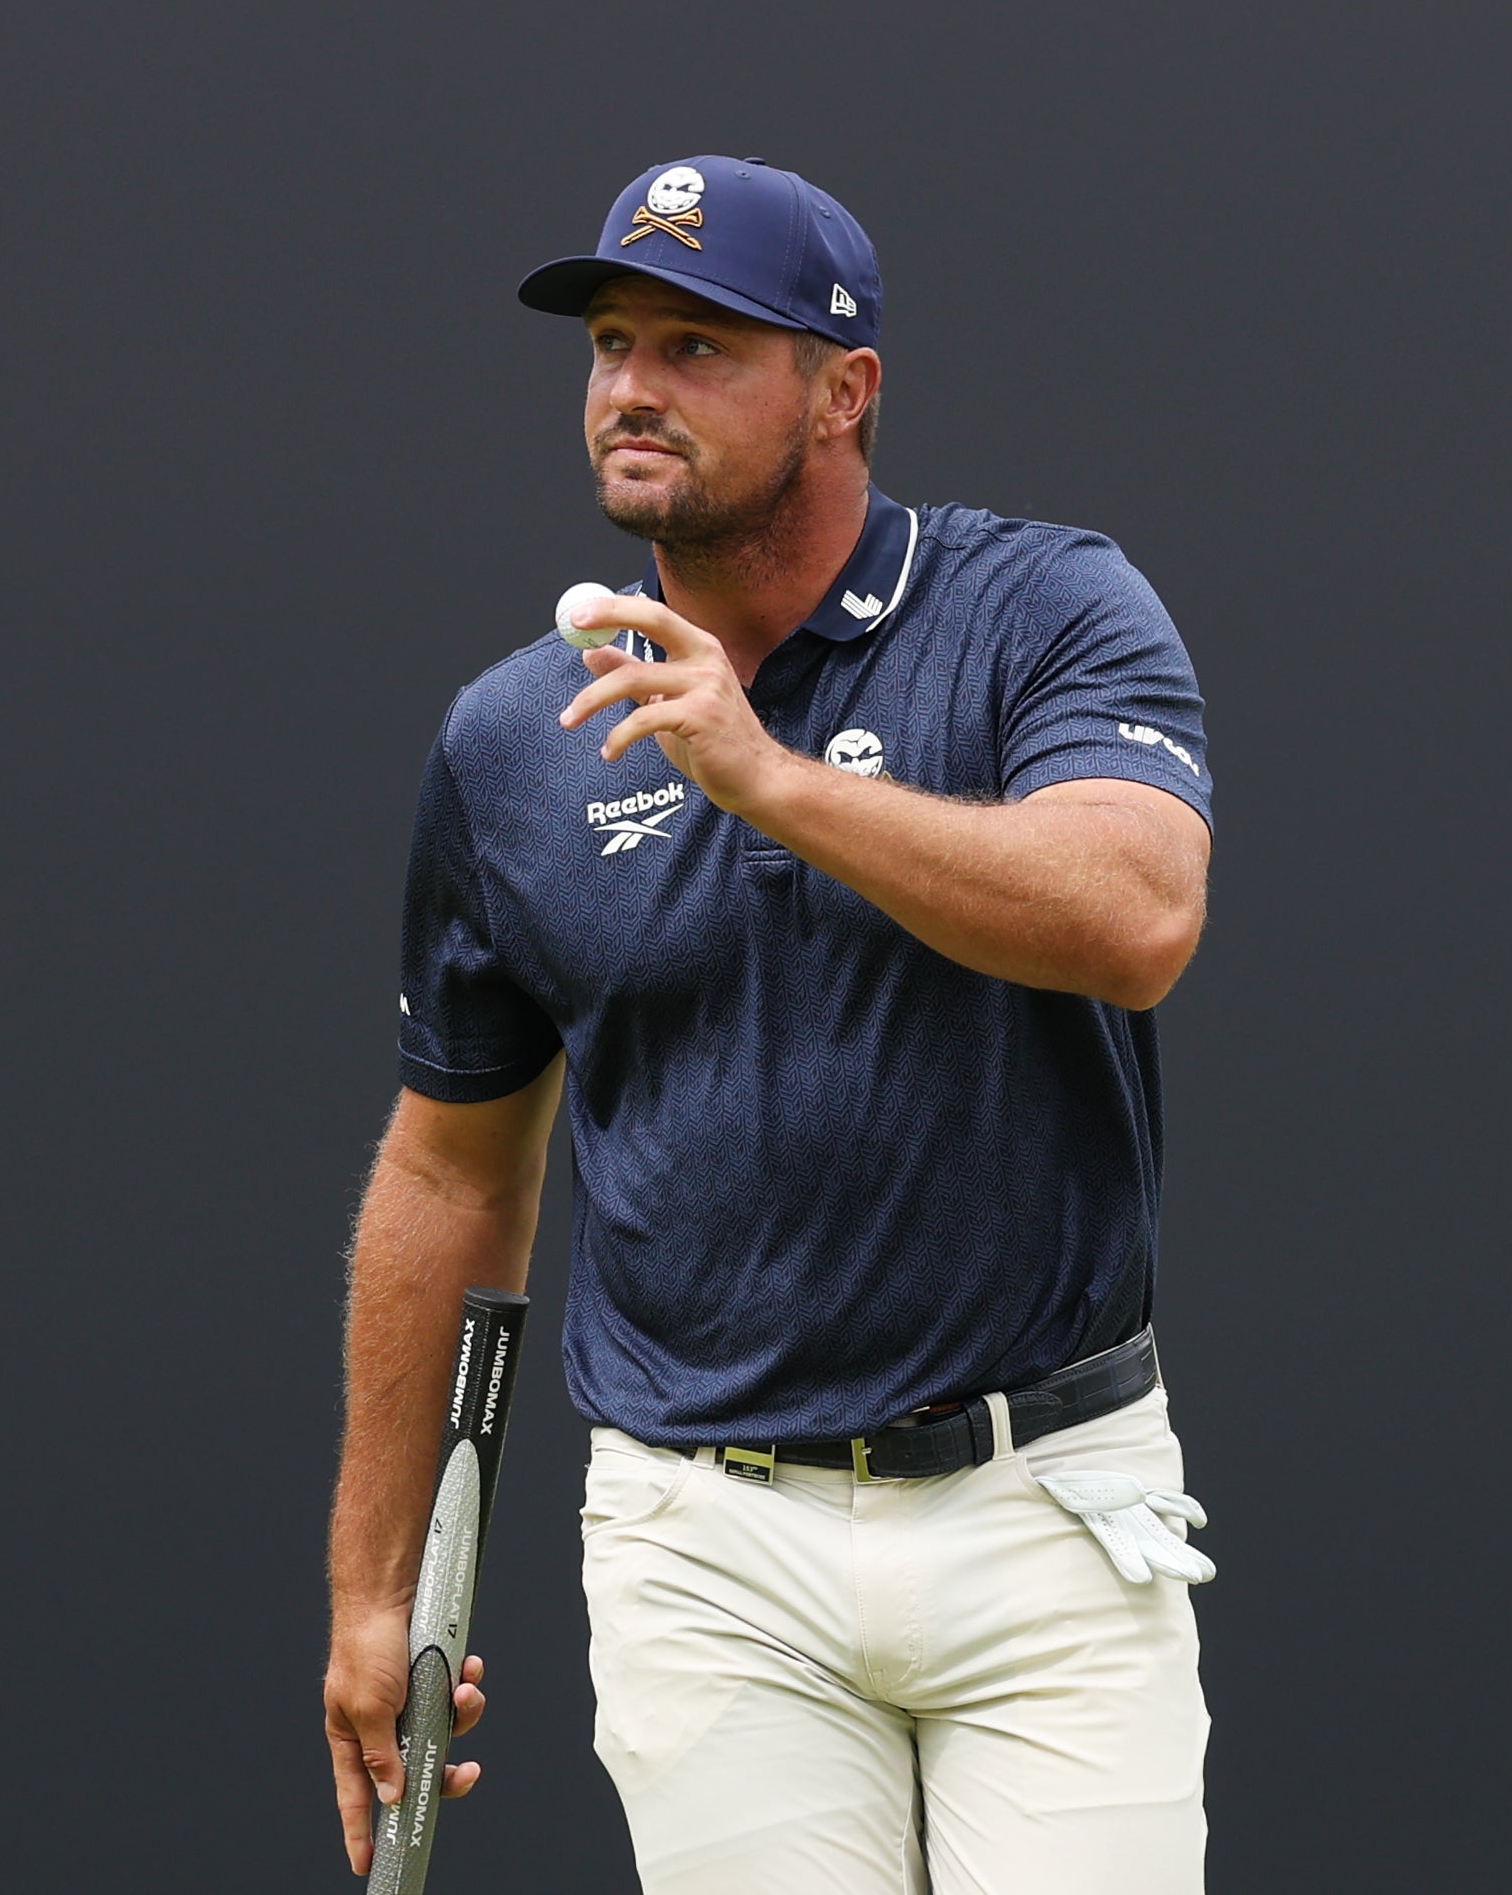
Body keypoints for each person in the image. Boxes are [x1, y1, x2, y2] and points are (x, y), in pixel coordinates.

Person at [324, 154, 1218, 1892]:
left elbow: (1136, 917)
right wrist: (373, 1591)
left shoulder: (1039, 607)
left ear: (841, 390)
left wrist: (769, 779)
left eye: (697, 346)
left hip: (1043, 1507)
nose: (631, 388)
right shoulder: (510, 740)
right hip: (706, 1544)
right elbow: (451, 1173)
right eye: (611, 343)